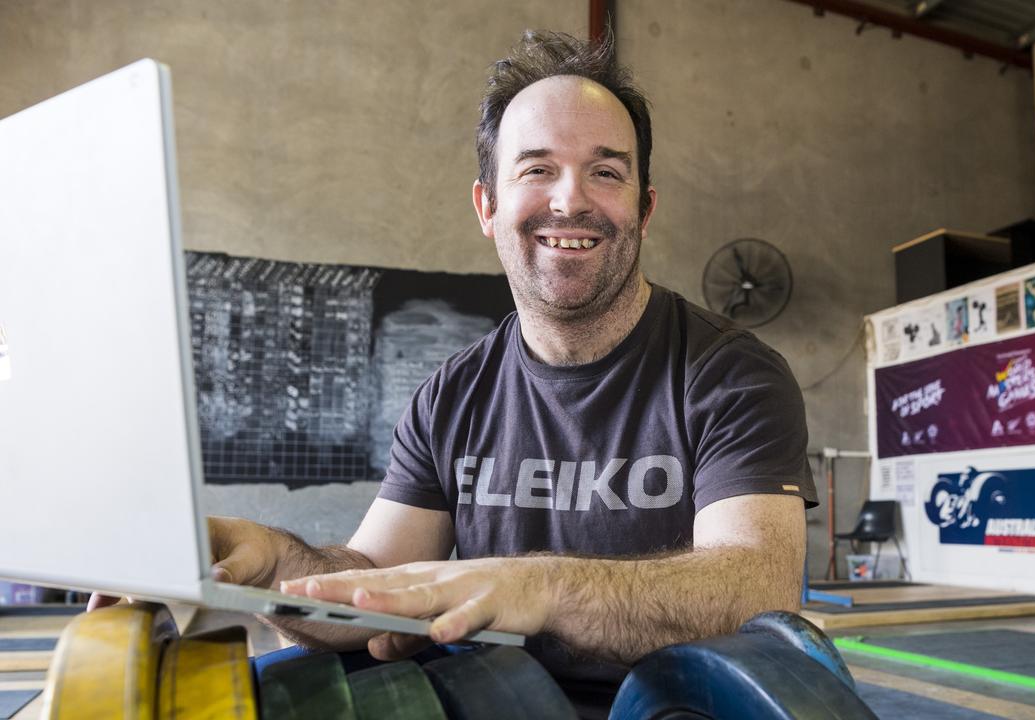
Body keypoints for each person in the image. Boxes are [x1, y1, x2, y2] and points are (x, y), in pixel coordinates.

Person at [94, 29, 816, 706]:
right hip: (499, 702)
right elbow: (376, 589)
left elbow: (756, 583)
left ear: (644, 208)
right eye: (538, 169)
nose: (571, 198)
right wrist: (274, 564)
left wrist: (541, 587)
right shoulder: (453, 395)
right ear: (487, 206)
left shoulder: (730, 375)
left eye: (605, 171)